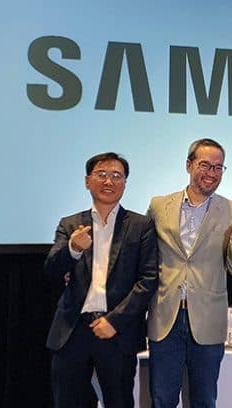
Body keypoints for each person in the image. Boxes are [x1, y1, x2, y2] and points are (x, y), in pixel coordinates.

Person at [146, 138, 232, 408]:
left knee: (205, 401)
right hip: (165, 318)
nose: (211, 173)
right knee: (162, 400)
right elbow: (144, 257)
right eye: (205, 165)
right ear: (189, 165)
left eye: (218, 168)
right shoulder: (159, 206)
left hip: (208, 319)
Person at [44, 152, 158, 408]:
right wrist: (73, 248)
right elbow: (52, 269)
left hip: (117, 331)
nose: (109, 181)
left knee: (119, 401)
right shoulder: (71, 224)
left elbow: (149, 279)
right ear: (88, 181)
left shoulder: (141, 225)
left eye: (117, 175)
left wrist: (114, 321)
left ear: (125, 183)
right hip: (72, 330)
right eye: (102, 174)